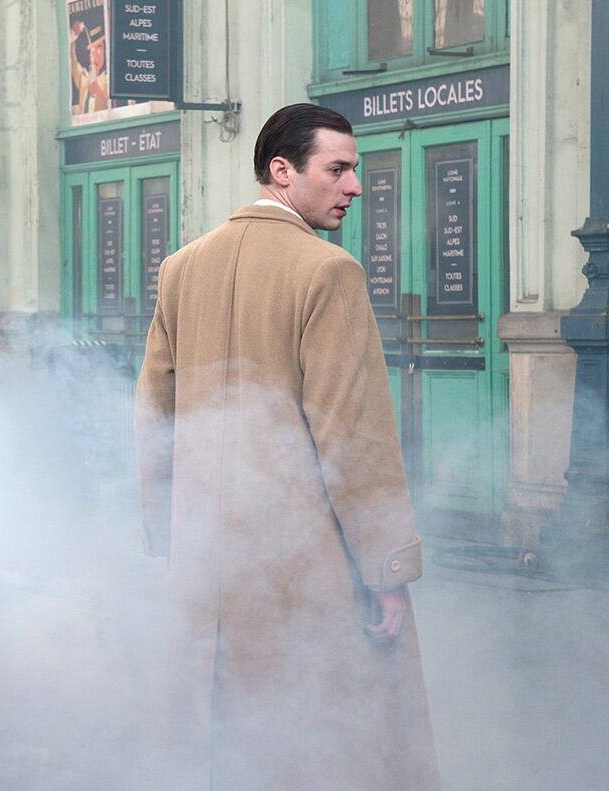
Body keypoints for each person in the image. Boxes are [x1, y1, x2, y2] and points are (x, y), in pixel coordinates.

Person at [135, 103, 440, 791]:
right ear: (282, 170)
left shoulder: (182, 267)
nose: (354, 186)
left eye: (353, 170)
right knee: (327, 745)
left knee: (219, 741)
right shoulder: (328, 272)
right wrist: (386, 568)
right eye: (337, 169)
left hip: (208, 557)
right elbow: (352, 435)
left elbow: (155, 410)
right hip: (304, 564)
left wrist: (168, 533)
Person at [69, 21, 109, 115]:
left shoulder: (108, 81)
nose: (94, 54)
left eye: (99, 47)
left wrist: (97, 91)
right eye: (91, 50)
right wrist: (74, 33)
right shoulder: (83, 78)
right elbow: (72, 59)